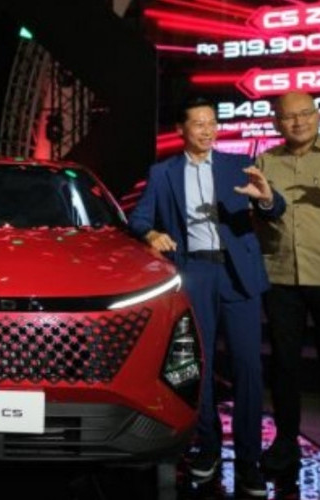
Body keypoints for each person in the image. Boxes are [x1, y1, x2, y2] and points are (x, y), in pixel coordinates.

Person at [128, 97, 285, 497]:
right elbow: (139, 217)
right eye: (199, 123)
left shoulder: (238, 164)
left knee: (248, 368)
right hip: (194, 273)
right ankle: (208, 448)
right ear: (181, 130)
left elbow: (274, 208)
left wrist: (266, 198)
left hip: (238, 274)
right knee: (200, 367)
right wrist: (152, 233)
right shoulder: (163, 173)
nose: (208, 130)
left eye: (212, 123)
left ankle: (248, 460)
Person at [254, 91, 320, 473]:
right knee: (284, 364)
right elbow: (259, 212)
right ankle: (285, 444)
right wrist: (264, 203)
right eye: (290, 116)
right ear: (277, 122)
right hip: (280, 276)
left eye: (306, 113)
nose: (299, 122)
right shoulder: (265, 162)